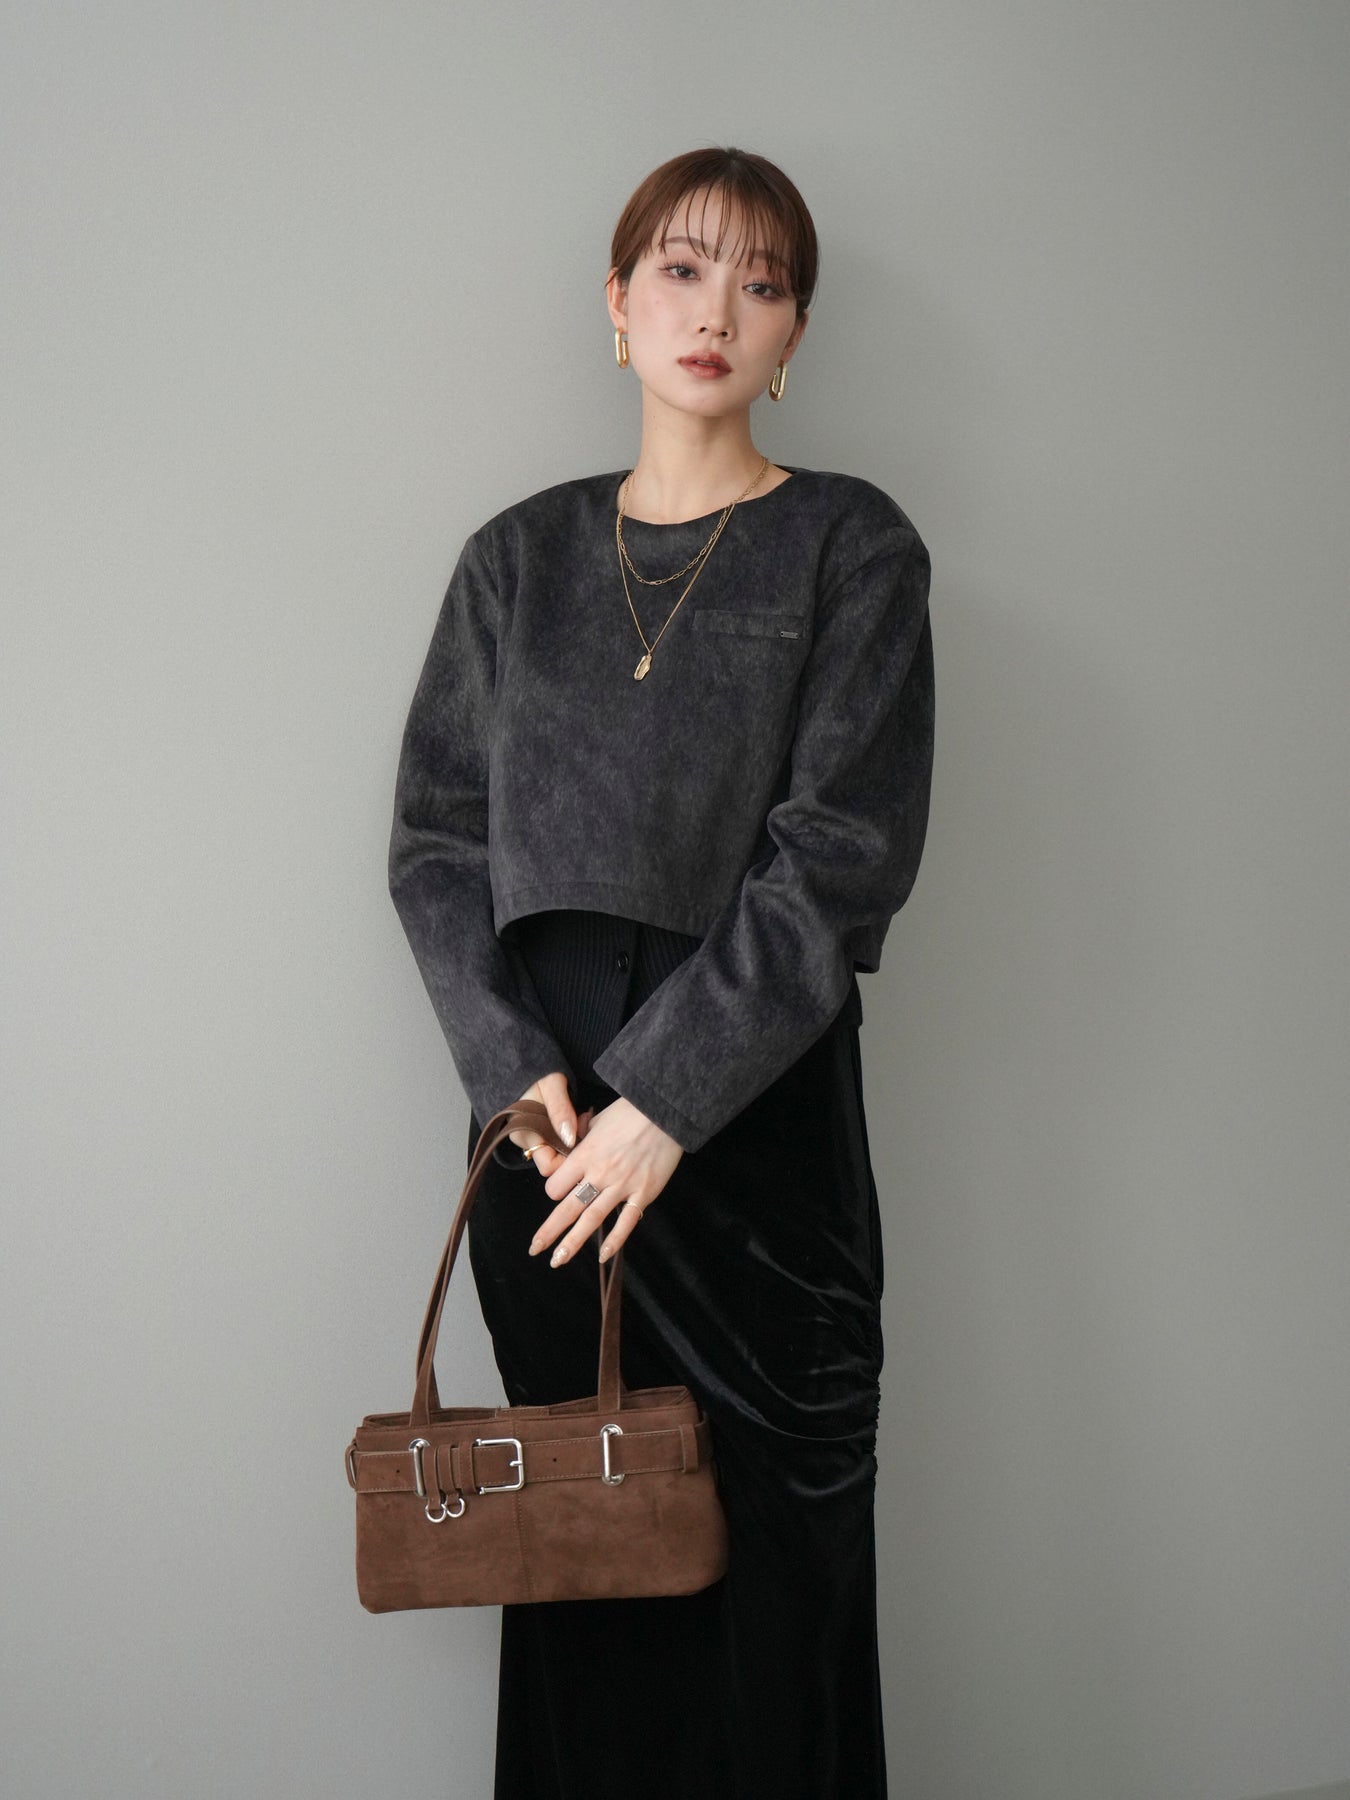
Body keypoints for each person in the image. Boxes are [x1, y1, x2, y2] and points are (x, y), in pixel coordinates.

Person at [387, 144, 934, 1799]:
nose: (717, 310)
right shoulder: (514, 560)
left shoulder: (849, 545)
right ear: (616, 308)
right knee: (584, 1568)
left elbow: (839, 856)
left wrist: (667, 1103)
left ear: (794, 335)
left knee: (780, 1576)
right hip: (551, 1143)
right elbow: (435, 845)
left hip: (752, 1128)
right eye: (682, 270)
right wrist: (513, 1074)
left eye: (761, 284)